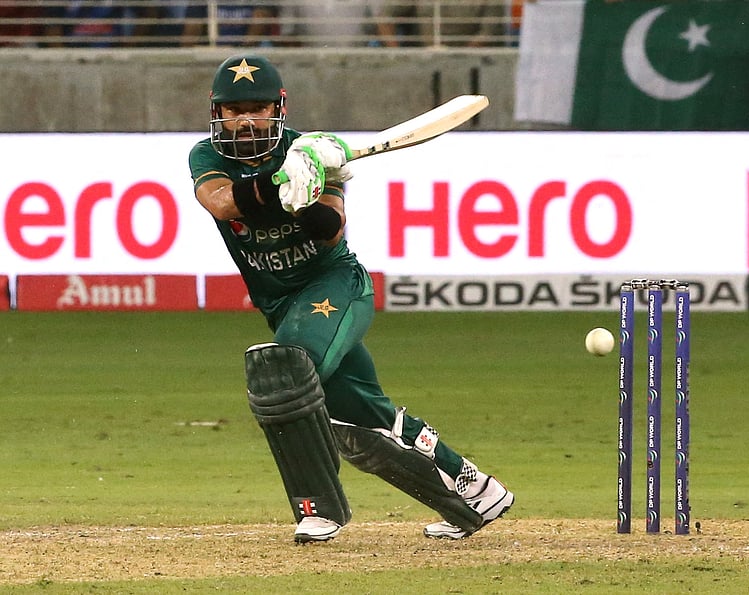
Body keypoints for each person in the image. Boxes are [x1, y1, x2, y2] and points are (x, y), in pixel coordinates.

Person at [188, 54, 514, 543]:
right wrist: (278, 187)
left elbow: (330, 231)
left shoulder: (313, 152)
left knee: (284, 370)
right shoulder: (207, 157)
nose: (246, 120)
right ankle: (475, 492)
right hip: (281, 305)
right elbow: (222, 202)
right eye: (235, 110)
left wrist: (311, 187)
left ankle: (319, 509)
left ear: (278, 107)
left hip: (335, 288)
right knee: (363, 417)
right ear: (218, 113)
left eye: (256, 108)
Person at [378, 1, 506, 47]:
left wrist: (459, 58)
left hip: (470, 63)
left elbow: (488, 34)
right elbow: (385, 17)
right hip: (422, 61)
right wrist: (397, 56)